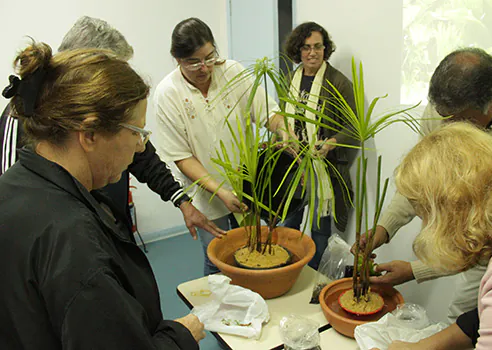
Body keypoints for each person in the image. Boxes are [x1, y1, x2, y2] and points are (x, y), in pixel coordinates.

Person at [0, 42, 205, 348]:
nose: (140, 146)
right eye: (136, 132)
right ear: (90, 134)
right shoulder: (76, 244)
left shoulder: (13, 187)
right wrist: (182, 334)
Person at [361, 47, 492, 321]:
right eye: (443, 116)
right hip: (488, 237)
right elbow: (422, 182)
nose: (448, 128)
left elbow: (486, 241)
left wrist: (416, 270)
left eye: (460, 120)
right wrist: (384, 226)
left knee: (471, 316)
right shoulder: (448, 107)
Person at [0, 16, 224, 242]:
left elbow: (142, 155)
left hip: (108, 230)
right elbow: (14, 202)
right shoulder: (25, 113)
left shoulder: (115, 130)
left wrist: (181, 201)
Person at [371, 122, 492, 350]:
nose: (425, 226)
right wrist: (421, 347)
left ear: (450, 212)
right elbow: (483, 317)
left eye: (423, 214)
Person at [155, 18, 285, 275]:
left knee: (252, 248)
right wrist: (220, 192)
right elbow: (182, 157)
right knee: (217, 256)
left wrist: (284, 132)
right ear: (177, 59)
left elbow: (268, 112)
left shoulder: (232, 72)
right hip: (206, 193)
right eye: (193, 61)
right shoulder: (168, 93)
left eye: (209, 56)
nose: (204, 67)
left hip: (246, 184)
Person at [282, 22, 358, 269]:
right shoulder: (289, 79)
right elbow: (280, 117)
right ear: (298, 50)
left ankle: (315, 280)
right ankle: (288, 271)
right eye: (306, 48)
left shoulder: (339, 82)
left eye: (317, 47)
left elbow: (355, 128)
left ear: (326, 49)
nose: (312, 53)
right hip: (293, 167)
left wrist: (332, 142)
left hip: (322, 170)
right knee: (289, 225)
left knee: (319, 231)